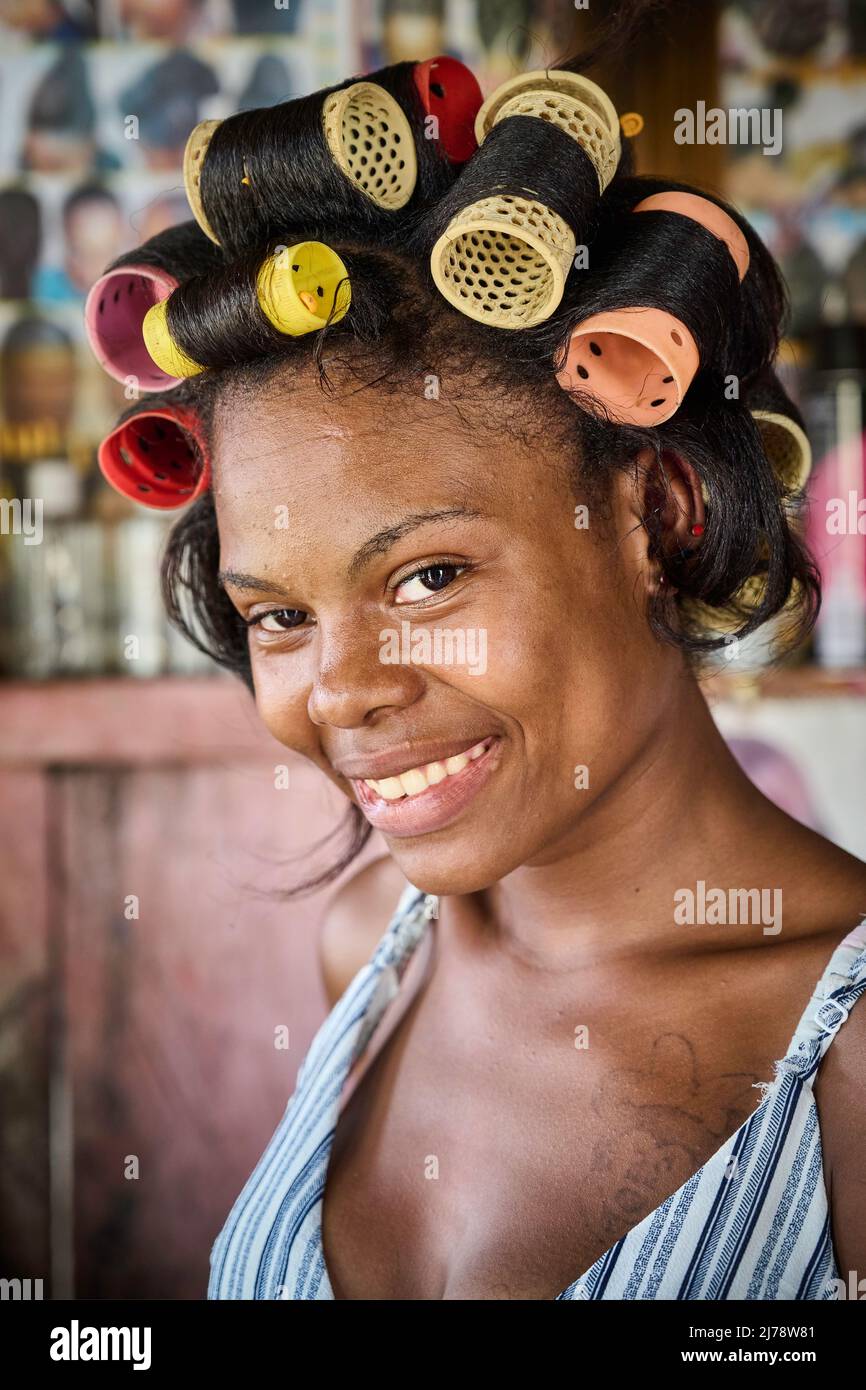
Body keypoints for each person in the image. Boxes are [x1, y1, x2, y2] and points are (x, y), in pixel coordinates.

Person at [83, 39, 866, 1301]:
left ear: (656, 516)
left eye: (427, 577)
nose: (340, 690)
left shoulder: (847, 1060)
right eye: (278, 615)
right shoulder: (368, 954)